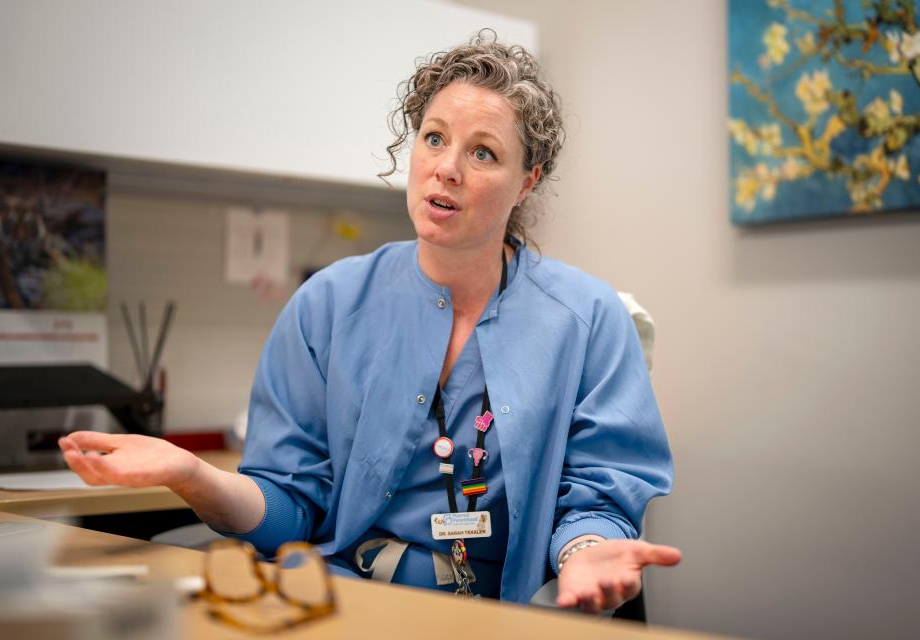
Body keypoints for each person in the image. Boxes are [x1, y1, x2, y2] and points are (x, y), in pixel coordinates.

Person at [58, 31, 681, 613]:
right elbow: (290, 503)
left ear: (527, 182)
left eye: (483, 152)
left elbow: (598, 496)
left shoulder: (589, 319)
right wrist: (191, 473)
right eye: (434, 138)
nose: (447, 168)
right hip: (344, 599)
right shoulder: (327, 304)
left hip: (495, 613)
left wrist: (586, 553)